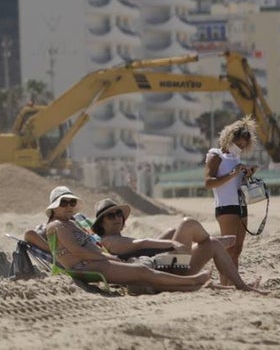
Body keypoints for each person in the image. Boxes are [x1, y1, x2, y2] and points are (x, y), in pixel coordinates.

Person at [40, 186, 212, 293]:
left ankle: (192, 285)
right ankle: (193, 280)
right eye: (64, 203)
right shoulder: (56, 226)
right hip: (84, 266)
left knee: (141, 274)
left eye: (71, 203)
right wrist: (107, 257)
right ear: (54, 208)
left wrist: (106, 256)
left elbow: (91, 247)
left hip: (96, 261)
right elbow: (77, 251)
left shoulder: (70, 223)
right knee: (141, 272)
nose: (69, 206)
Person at [91, 197, 262, 292]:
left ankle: (241, 285)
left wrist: (169, 239)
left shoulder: (121, 239)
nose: (117, 218)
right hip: (160, 269)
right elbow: (141, 242)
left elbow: (141, 248)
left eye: (118, 214)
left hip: (166, 266)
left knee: (212, 244)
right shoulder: (108, 240)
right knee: (188, 224)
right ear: (101, 224)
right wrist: (172, 243)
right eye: (110, 216)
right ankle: (211, 239)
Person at [204, 117, 259, 285]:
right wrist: (233, 173)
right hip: (226, 206)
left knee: (237, 250)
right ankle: (224, 284)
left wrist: (247, 174)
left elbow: (236, 183)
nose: (240, 148)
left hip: (241, 204)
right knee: (228, 249)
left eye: (243, 146)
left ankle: (234, 283)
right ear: (229, 138)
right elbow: (208, 182)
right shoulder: (216, 155)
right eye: (238, 144)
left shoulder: (236, 159)